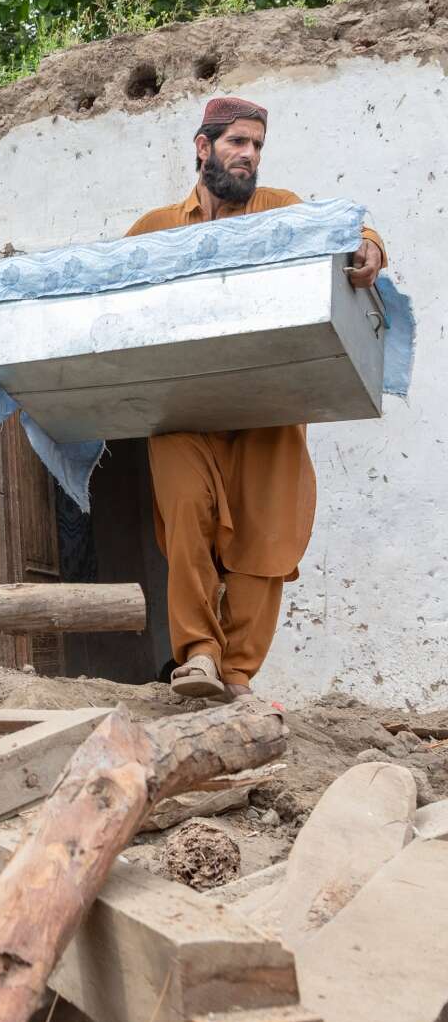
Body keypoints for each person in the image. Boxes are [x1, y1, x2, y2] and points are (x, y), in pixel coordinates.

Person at [126, 95, 387, 701]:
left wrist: (371, 244)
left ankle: (237, 674)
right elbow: (107, 280)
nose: (249, 156)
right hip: (184, 409)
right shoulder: (156, 227)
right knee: (185, 518)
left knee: (266, 541)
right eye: (237, 142)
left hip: (270, 412)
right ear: (203, 147)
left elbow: (350, 230)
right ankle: (198, 656)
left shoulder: (282, 211)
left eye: (257, 146)